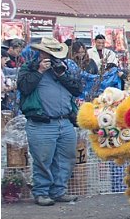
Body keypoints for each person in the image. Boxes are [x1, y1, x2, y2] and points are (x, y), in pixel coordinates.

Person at [17, 39, 83, 206]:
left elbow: (77, 89)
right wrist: (39, 71)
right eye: (50, 54)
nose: (54, 58)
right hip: (41, 122)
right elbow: (24, 88)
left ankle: (59, 191)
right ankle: (41, 192)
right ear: (42, 53)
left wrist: (61, 75)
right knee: (43, 159)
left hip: (65, 121)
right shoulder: (29, 68)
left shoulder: (64, 68)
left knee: (66, 158)